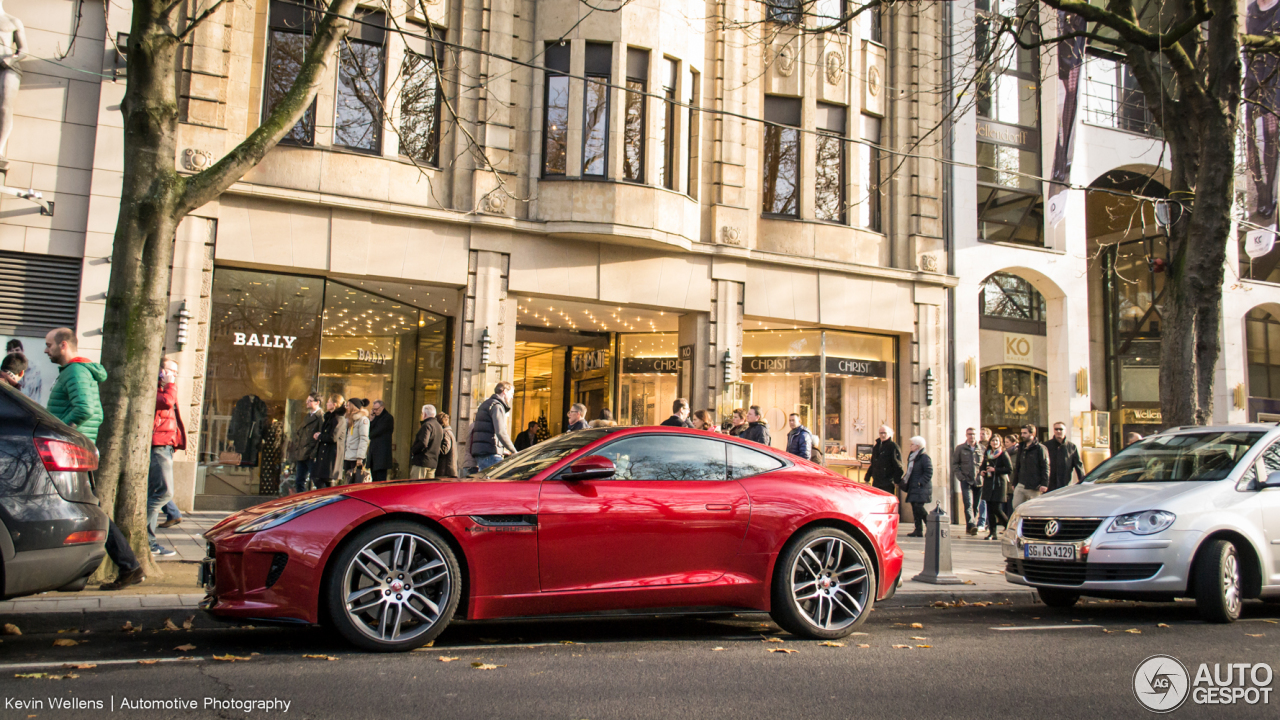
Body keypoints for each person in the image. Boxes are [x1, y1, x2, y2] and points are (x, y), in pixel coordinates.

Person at [42, 328, 142, 590]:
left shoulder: (75, 372)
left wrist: (58, 432)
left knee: (89, 508)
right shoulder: (73, 372)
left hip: (69, 451)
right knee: (87, 507)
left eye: (48, 345)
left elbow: (86, 409)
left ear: (63, 345)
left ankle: (127, 565)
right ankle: (124, 566)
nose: (45, 350)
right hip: (71, 450)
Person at [147, 359, 185, 558]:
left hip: (165, 446)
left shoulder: (164, 389)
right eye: (171, 370)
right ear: (161, 370)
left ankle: (148, 542)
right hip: (158, 447)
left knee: (157, 493)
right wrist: (169, 384)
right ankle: (146, 538)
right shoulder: (156, 388)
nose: (174, 375)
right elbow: (166, 402)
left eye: (176, 372)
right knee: (163, 493)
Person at [471, 381, 516, 472]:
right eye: (511, 394)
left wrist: (501, 450)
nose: (512, 397)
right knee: (497, 483)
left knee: (486, 483)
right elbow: (501, 432)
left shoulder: (486, 404)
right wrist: (514, 451)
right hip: (490, 453)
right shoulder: (497, 406)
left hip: (483, 452)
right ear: (504, 392)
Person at [952, 427, 984, 536]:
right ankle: (972, 524)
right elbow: (955, 464)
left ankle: (970, 526)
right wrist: (961, 477)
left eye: (974, 434)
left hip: (979, 480)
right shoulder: (960, 448)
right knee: (968, 503)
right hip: (966, 480)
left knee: (976, 505)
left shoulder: (982, 449)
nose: (972, 436)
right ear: (966, 435)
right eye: (970, 434)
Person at [979, 434, 1012, 540]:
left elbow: (1009, 469)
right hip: (988, 483)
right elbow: (983, 465)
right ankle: (992, 533)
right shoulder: (987, 453)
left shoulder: (1003, 454)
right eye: (993, 441)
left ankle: (1010, 526)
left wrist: (995, 470)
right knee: (989, 509)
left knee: (997, 509)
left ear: (1000, 442)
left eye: (997, 441)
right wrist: (982, 471)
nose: (994, 443)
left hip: (999, 484)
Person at [290, 392, 324, 493]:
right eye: (307, 401)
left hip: (311, 454)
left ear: (317, 402)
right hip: (302, 453)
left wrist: (313, 454)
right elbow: (300, 434)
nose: (307, 403)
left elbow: (321, 437)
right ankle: (302, 504)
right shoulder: (307, 416)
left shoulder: (321, 417)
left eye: (310, 401)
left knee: (316, 480)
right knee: (299, 481)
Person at [900, 436, 933, 537]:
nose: (910, 446)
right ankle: (918, 529)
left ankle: (931, 526)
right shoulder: (912, 457)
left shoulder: (924, 457)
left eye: (912, 444)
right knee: (915, 508)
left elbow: (929, 471)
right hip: (913, 486)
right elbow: (910, 472)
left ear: (918, 446)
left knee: (919, 508)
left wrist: (920, 482)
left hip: (921, 487)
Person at [312, 393, 347, 489]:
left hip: (331, 456)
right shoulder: (330, 418)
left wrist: (320, 436)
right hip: (325, 455)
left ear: (334, 404)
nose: (327, 404)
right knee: (318, 480)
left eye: (329, 402)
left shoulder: (339, 419)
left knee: (329, 484)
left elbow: (333, 437)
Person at [1011, 424, 1050, 509]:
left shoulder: (1040, 448)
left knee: (1034, 509)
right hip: (1021, 484)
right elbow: (1018, 466)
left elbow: (1045, 466)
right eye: (1021, 433)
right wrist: (1015, 482)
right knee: (1016, 507)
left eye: (1025, 433)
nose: (1022, 435)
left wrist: (1044, 483)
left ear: (1032, 434)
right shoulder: (1021, 447)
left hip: (1034, 486)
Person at [1045, 421, 1085, 492]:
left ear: (1065, 431)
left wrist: (1083, 481)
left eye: (1061, 429)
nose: (1058, 431)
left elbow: (1078, 466)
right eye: (1056, 429)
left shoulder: (1071, 447)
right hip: (1049, 485)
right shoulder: (1046, 446)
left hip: (1065, 484)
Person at [866, 425, 903, 494]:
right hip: (877, 481)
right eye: (881, 433)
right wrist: (867, 478)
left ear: (889, 434)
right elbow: (873, 464)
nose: (883, 435)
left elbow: (898, 465)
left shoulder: (893, 446)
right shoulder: (876, 447)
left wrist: (897, 480)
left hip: (887, 481)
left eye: (885, 433)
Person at [409, 404, 444, 479]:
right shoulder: (439, 426)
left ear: (424, 414)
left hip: (422, 462)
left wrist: (413, 451)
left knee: (416, 487)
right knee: (428, 488)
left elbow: (423, 443)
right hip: (433, 463)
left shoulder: (427, 425)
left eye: (422, 413)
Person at [367, 399, 394, 482]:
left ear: (382, 407)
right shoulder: (376, 417)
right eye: (373, 409)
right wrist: (371, 420)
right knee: (374, 478)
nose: (375, 411)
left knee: (380, 480)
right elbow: (369, 432)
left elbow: (373, 434)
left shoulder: (387, 418)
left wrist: (373, 421)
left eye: (376, 409)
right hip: (373, 454)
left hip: (381, 455)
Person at [344, 398, 370, 483]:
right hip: (348, 456)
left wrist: (360, 458)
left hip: (356, 457)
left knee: (356, 481)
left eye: (348, 406)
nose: (347, 408)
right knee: (348, 481)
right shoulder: (351, 420)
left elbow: (364, 439)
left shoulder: (363, 420)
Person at [436, 412, 458, 478]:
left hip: (445, 470)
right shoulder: (449, 432)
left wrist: (434, 448)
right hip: (449, 470)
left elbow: (445, 449)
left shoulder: (445, 433)